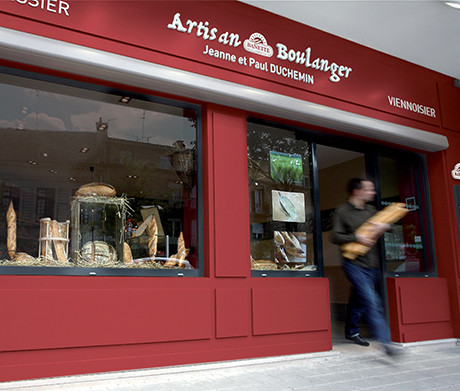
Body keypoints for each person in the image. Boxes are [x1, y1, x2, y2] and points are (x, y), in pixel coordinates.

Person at [331, 178, 398, 357]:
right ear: (357, 191)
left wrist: (385, 226)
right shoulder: (342, 211)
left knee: (359, 299)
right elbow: (335, 236)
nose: (373, 193)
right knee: (371, 300)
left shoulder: (371, 210)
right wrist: (356, 238)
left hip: (372, 264)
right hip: (353, 264)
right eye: (369, 190)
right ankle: (386, 343)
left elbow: (388, 224)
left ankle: (351, 331)